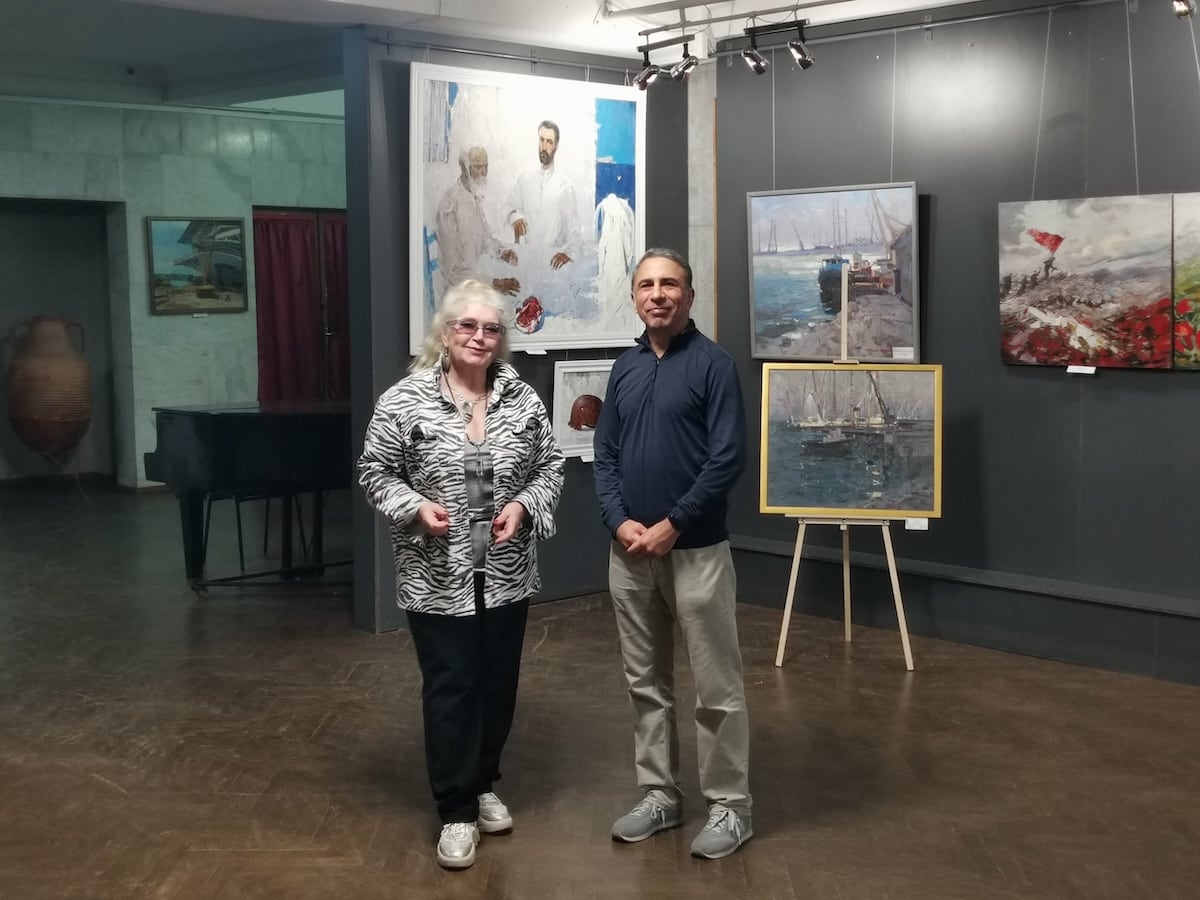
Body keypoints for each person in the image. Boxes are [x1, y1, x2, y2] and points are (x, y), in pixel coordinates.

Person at [358, 279, 565, 870]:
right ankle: (455, 809)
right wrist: (414, 507)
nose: (479, 337)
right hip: (435, 573)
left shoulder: (521, 399)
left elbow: (550, 467)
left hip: (505, 572)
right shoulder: (404, 400)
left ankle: (482, 782)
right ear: (445, 333)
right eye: (467, 325)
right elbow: (374, 471)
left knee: (498, 683)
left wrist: (523, 506)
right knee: (452, 686)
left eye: (491, 328)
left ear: (501, 339)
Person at [593, 248, 753, 860]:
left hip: (697, 551)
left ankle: (731, 806)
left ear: (689, 294)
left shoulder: (714, 365)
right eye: (646, 285)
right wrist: (618, 522)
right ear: (635, 296)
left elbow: (726, 459)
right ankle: (660, 795)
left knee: (717, 687)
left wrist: (673, 524)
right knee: (645, 683)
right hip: (630, 554)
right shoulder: (625, 367)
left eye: (669, 284)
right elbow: (605, 455)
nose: (657, 294)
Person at [436, 145, 520, 296]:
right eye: (478, 167)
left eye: (486, 166)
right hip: (457, 296)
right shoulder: (449, 206)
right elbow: (453, 274)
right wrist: (493, 283)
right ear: (465, 168)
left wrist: (501, 252)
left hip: (474, 287)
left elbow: (486, 237)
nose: (484, 173)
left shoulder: (473, 197)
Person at [504, 120, 581, 271]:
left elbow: (574, 232)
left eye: (549, 142)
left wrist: (568, 254)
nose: (544, 147)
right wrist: (515, 217)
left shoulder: (565, 187)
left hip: (551, 264)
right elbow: (507, 207)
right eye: (542, 140)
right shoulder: (524, 179)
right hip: (524, 260)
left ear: (556, 146)